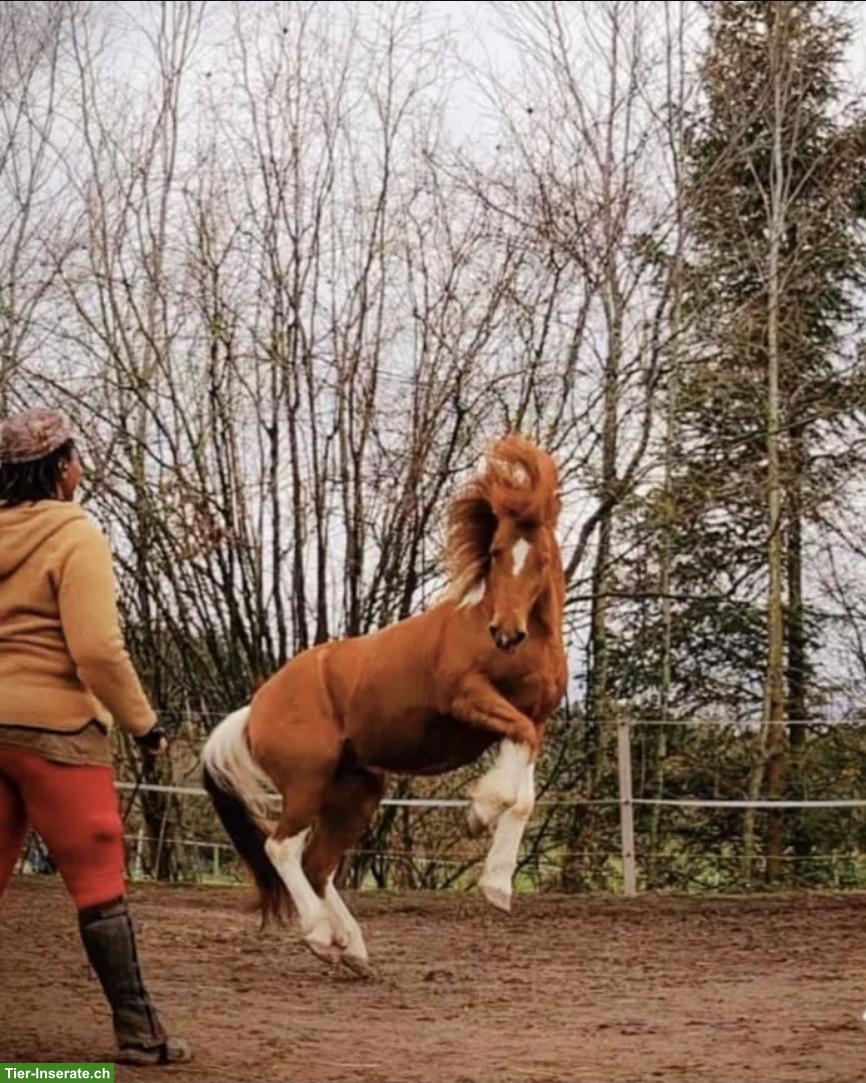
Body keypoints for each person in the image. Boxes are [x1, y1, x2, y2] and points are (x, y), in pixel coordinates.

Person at [0, 408, 191, 1066]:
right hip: (56, 732)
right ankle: (139, 1031)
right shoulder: (75, 533)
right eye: (76, 459)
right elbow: (98, 650)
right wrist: (146, 724)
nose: (81, 470)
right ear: (59, 468)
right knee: (98, 879)